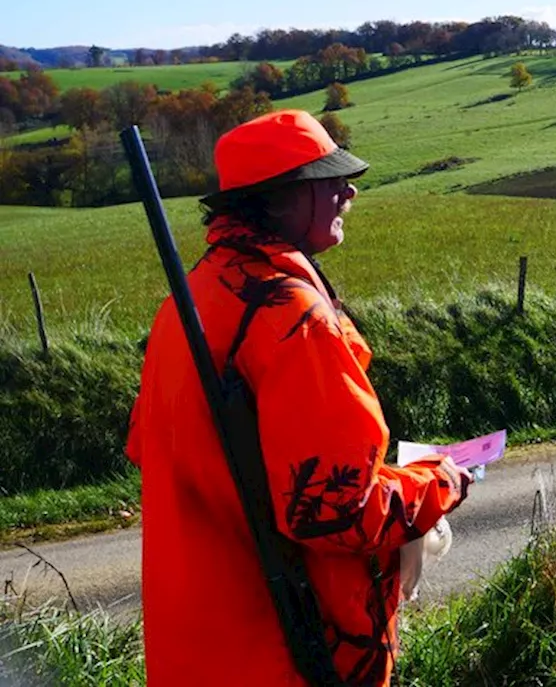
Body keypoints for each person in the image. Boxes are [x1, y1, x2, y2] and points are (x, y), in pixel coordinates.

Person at [125, 109, 472, 686]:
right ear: (277, 199)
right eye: (327, 181)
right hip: (280, 651)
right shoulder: (290, 317)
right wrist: (441, 481)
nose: (349, 191)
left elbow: (169, 455)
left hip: (193, 645)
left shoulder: (190, 302)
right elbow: (338, 514)